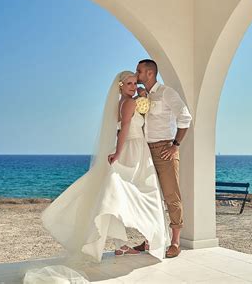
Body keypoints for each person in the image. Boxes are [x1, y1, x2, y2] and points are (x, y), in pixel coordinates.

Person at [39, 70, 170, 263]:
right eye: (130, 84)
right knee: (147, 193)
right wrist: (118, 153)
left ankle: (121, 245)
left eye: (135, 83)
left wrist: (142, 94)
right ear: (121, 87)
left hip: (132, 148)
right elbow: (125, 128)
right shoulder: (130, 103)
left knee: (116, 195)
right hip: (133, 150)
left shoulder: (122, 103)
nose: (134, 87)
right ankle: (155, 239)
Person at [134, 59, 192, 258]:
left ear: (149, 73)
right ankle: (151, 239)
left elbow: (185, 117)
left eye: (139, 71)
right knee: (149, 196)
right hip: (145, 150)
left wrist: (175, 145)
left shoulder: (167, 93)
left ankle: (175, 242)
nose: (137, 74)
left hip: (164, 150)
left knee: (171, 196)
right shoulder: (142, 95)